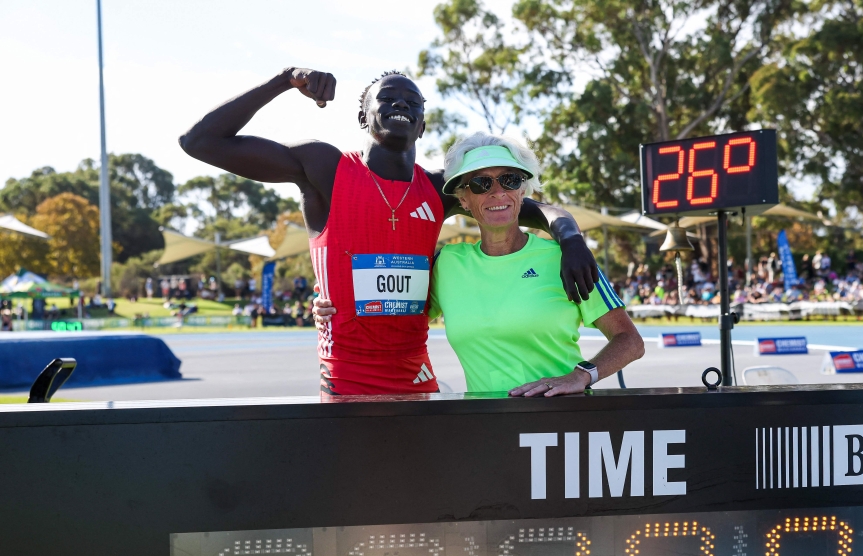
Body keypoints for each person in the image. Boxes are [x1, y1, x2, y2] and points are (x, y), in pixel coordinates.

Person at [180, 67, 597, 397]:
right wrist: (284, 81)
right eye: (387, 98)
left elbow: (522, 204)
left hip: (416, 376)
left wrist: (570, 237)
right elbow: (199, 141)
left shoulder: (436, 188)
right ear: (364, 116)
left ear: (422, 125)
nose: (400, 103)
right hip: (347, 378)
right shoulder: (324, 168)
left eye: (412, 101)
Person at [316, 133, 643, 395]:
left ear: (523, 191)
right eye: (480, 184)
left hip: (563, 426)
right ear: (463, 200)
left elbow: (630, 340)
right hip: (487, 431)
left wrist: (581, 376)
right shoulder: (448, 264)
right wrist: (332, 305)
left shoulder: (566, 259)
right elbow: (394, 307)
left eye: (510, 180)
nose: (497, 192)